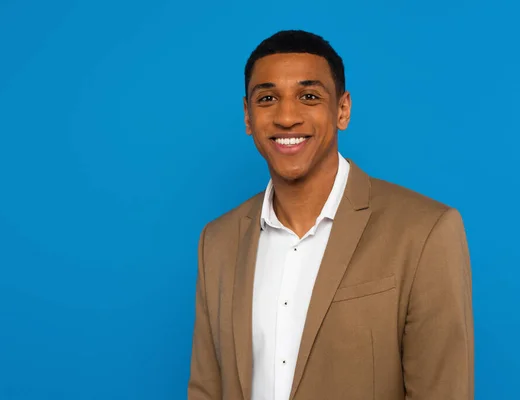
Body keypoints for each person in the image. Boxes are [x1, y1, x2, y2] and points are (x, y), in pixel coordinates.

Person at [187, 30, 474, 400]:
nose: (287, 116)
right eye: (268, 98)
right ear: (247, 116)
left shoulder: (425, 232)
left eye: (309, 96)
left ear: (342, 109)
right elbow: (206, 390)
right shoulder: (217, 241)